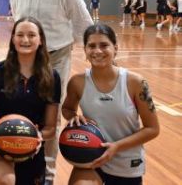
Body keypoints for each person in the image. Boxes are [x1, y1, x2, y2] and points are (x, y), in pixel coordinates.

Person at [9, 0, 93, 184]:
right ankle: (22, 164)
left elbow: (82, 22)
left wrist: (97, 58)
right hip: (25, 58)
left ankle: (47, 174)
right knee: (21, 110)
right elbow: (17, 20)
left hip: (56, 58)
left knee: (51, 117)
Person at [62, 24, 160, 185]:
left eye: (104, 45)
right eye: (91, 46)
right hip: (90, 158)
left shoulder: (135, 82)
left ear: (115, 48)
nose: (98, 51)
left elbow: (153, 129)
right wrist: (74, 117)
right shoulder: (77, 82)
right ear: (85, 50)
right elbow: (67, 109)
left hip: (126, 161)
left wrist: (116, 146)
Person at [0, 17, 61, 184]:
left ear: (41, 40)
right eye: (20, 35)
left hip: (32, 147)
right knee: (6, 180)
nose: (25, 40)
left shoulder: (51, 77)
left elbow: (51, 127)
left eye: (31, 35)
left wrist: (38, 136)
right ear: (13, 39)